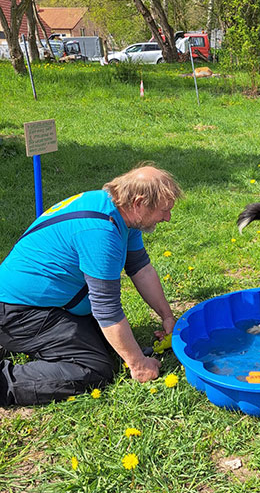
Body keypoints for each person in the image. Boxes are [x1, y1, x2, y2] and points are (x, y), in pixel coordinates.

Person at [0, 165, 183, 406]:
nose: (167, 217)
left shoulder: (117, 211)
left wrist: (167, 318)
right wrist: (138, 365)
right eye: (164, 210)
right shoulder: (100, 231)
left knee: (111, 346)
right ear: (139, 202)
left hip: (42, 304)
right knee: (94, 369)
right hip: (18, 312)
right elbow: (106, 308)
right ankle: (5, 382)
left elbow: (141, 268)